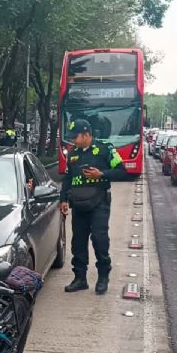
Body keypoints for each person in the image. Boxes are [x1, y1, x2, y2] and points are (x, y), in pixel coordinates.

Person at [59, 119, 128, 295]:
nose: (73, 140)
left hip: (99, 202)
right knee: (78, 242)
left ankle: (103, 276)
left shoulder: (105, 149)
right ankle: (80, 278)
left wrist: (102, 174)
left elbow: (122, 170)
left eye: (76, 137)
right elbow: (67, 178)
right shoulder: (72, 153)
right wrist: (63, 199)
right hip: (79, 203)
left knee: (99, 238)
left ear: (87, 134)